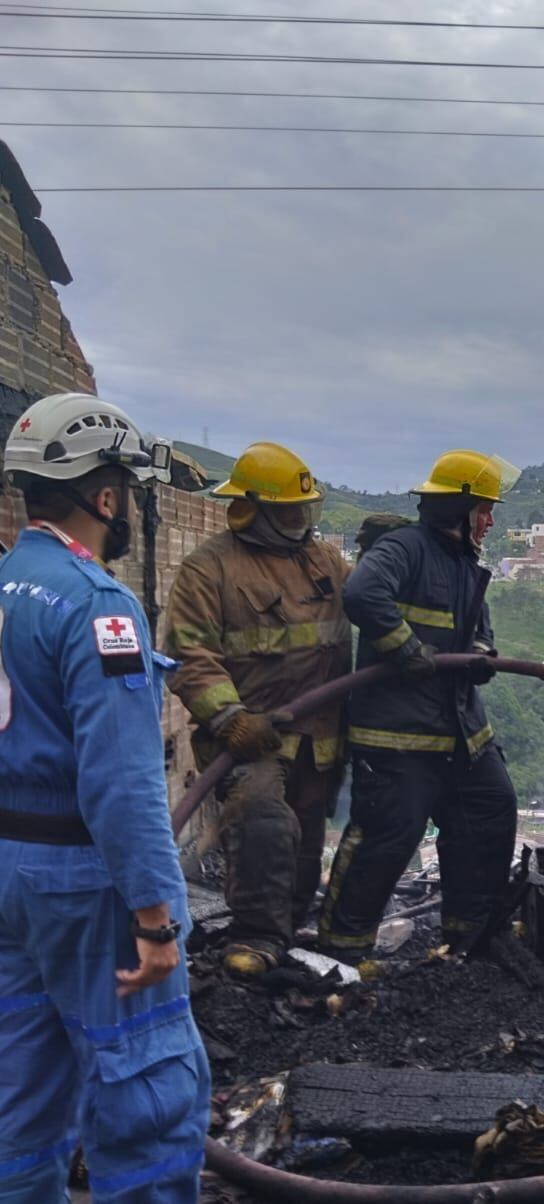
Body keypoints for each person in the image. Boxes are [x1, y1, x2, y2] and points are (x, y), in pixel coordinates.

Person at [0, 393, 210, 1201]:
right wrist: (155, 917)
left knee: (18, 1096)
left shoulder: (9, 584)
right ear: (106, 494)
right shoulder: (97, 606)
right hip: (80, 884)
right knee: (146, 1095)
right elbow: (123, 786)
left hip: (10, 877)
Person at [318, 450, 519, 960]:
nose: (490, 521)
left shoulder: (466, 566)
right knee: (389, 836)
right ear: (459, 508)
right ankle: (343, 953)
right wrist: (407, 650)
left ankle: (469, 939)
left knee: (490, 811)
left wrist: (478, 657)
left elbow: (481, 634)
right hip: (398, 736)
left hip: (463, 733)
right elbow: (362, 593)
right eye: (485, 510)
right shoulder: (405, 548)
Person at [163, 442, 352, 978]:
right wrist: (230, 718)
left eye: (305, 508)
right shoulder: (211, 568)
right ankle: (256, 937)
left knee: (305, 841)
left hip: (320, 737)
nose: (300, 520)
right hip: (253, 738)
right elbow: (189, 654)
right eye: (289, 509)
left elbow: (364, 609)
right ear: (251, 508)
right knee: (263, 823)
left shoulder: (323, 561)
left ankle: (289, 934)